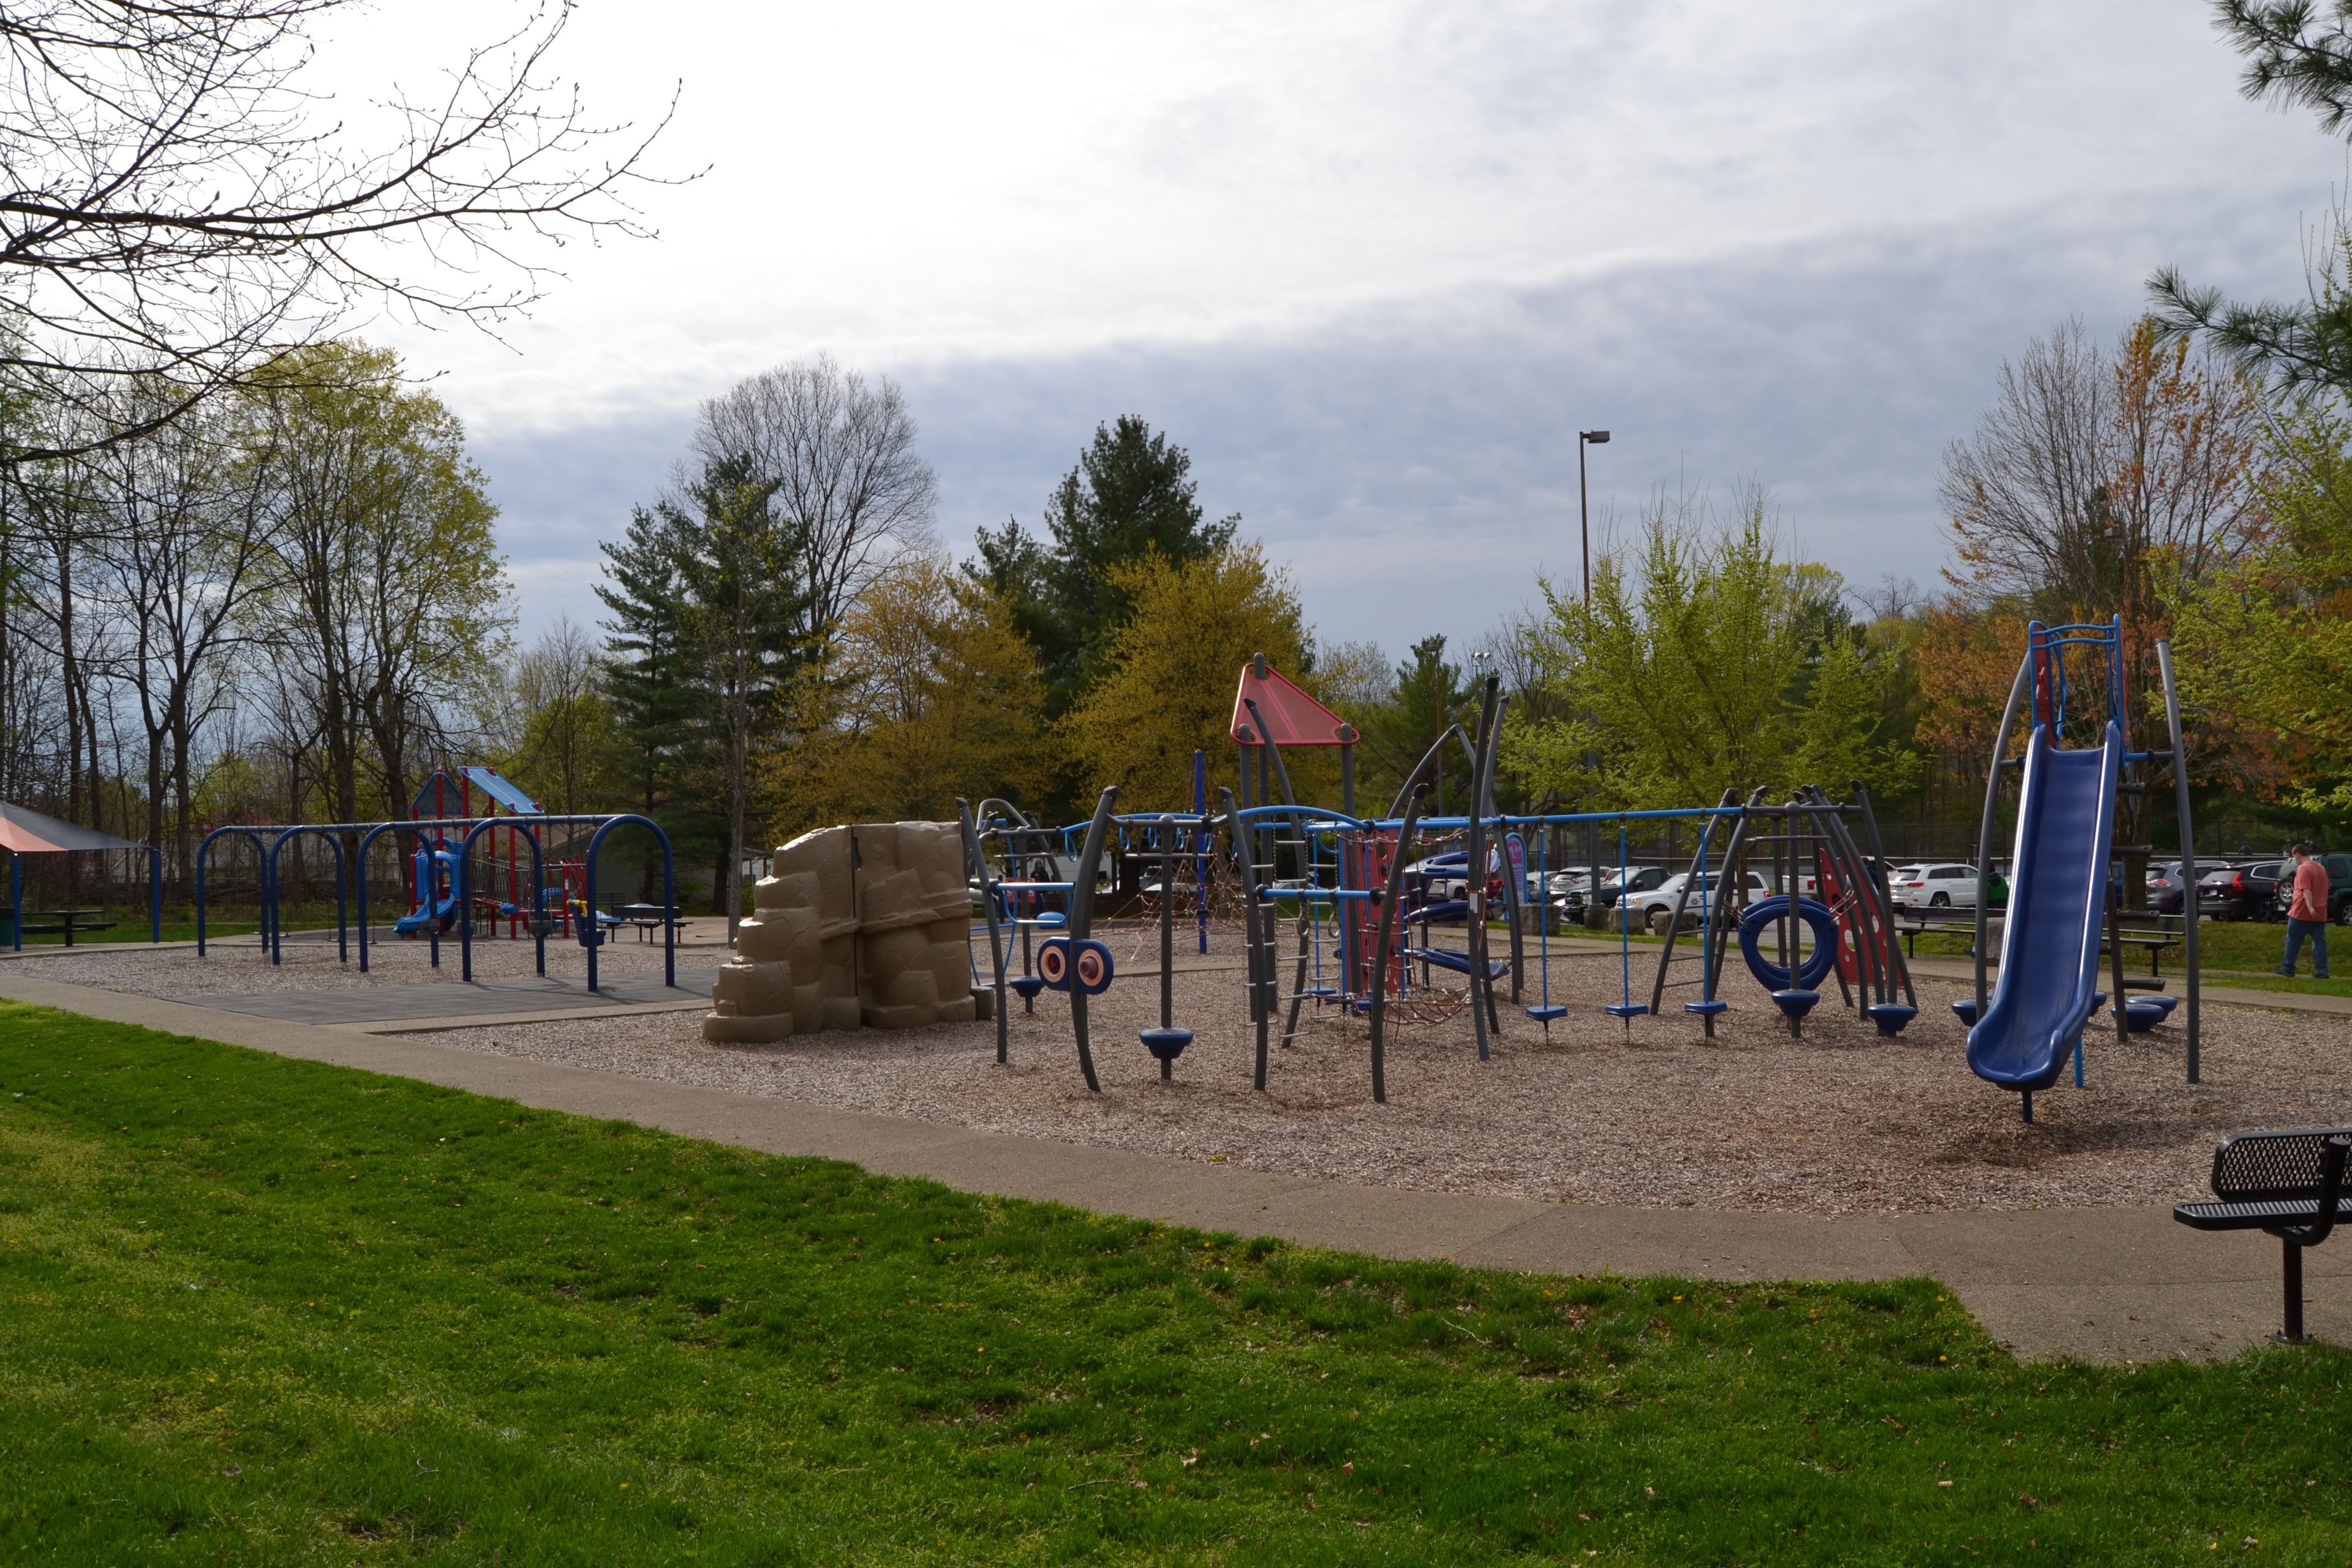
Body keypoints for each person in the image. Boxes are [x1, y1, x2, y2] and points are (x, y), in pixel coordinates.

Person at [2278, 843, 2332, 979]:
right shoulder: (2321, 868)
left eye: (2294, 856)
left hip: (2302, 912)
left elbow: (2306, 889)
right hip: (2320, 912)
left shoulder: (2303, 869)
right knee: (2320, 943)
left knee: (2293, 941)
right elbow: (2328, 886)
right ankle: (2323, 970)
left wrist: (2310, 907)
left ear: (2298, 854)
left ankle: (2288, 967)